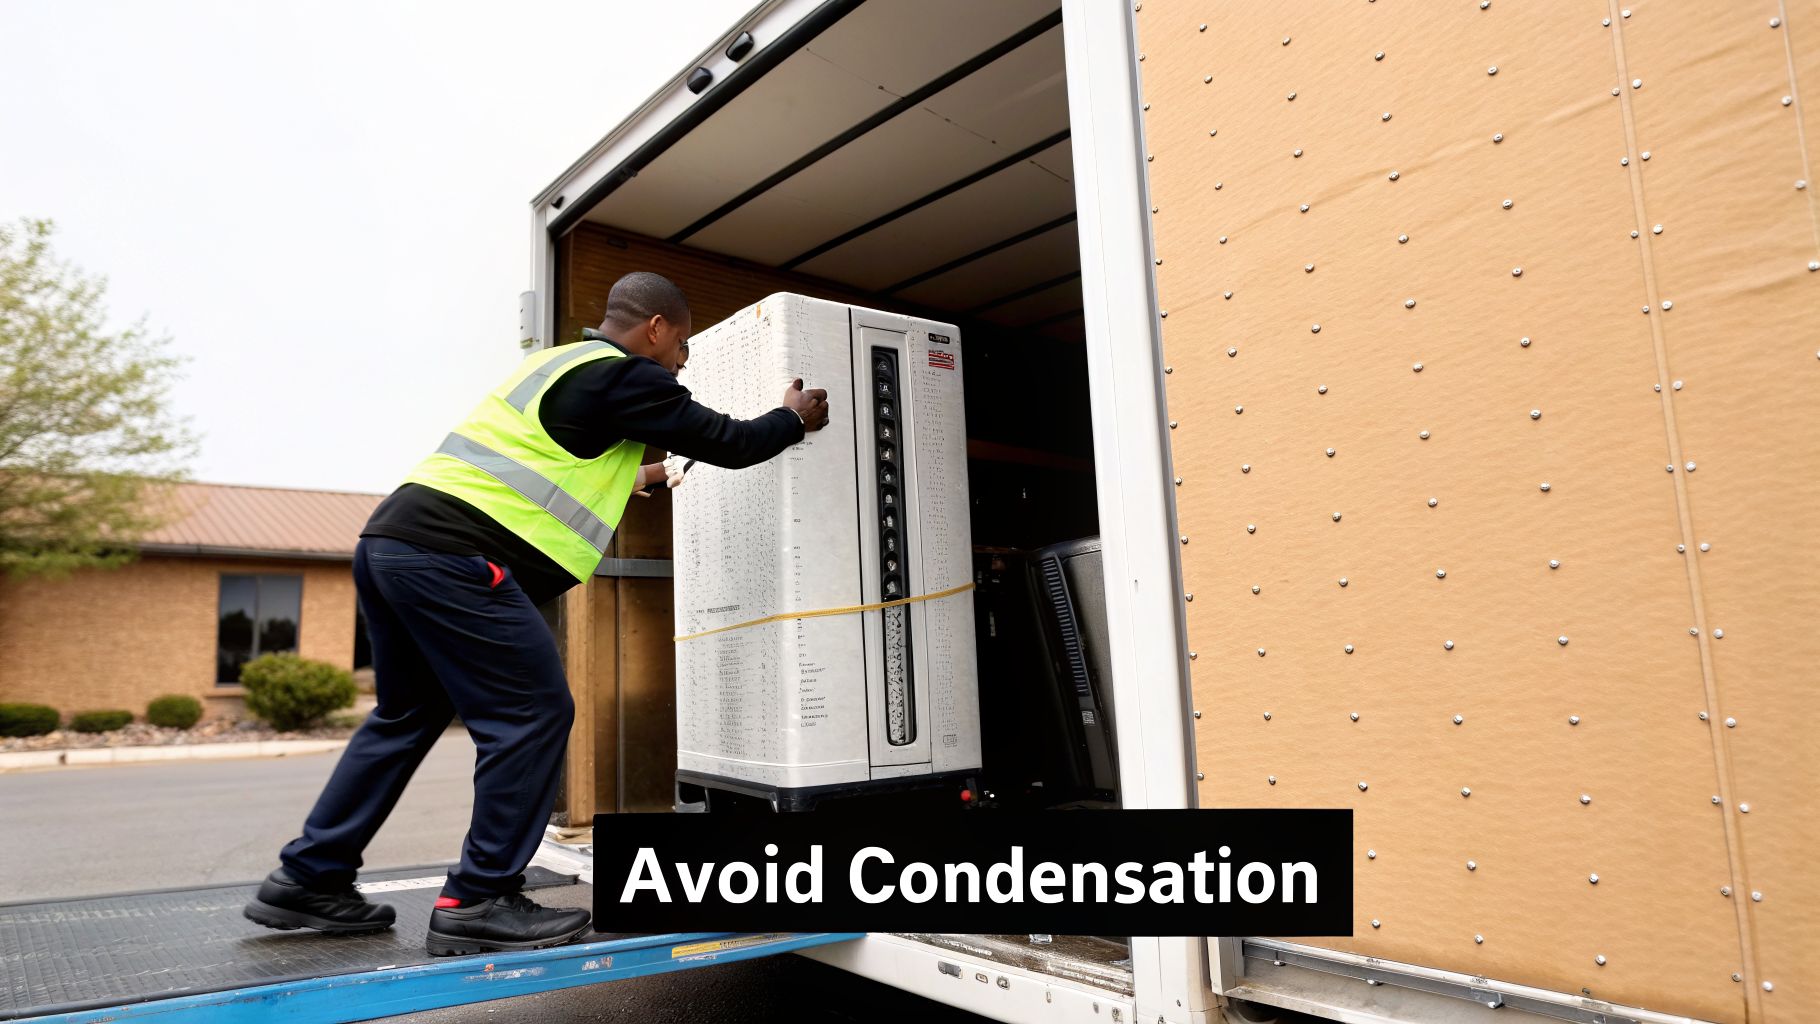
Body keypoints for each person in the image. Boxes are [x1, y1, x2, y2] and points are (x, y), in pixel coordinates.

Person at [244, 272, 829, 955]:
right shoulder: (630, 375)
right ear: (657, 328)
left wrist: (651, 474)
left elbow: (555, 462)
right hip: (458, 559)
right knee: (533, 712)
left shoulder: (559, 365)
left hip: (394, 545)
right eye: (682, 346)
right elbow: (729, 441)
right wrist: (793, 418)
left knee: (405, 717)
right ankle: (479, 898)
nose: (681, 362)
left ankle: (309, 876)